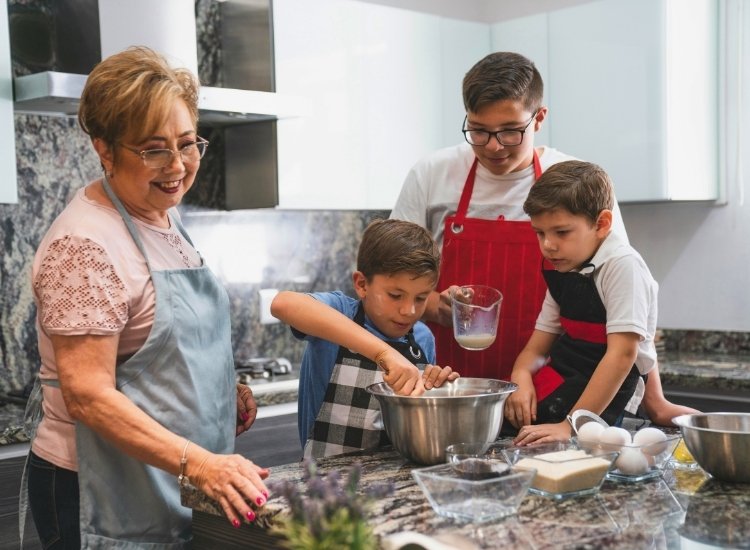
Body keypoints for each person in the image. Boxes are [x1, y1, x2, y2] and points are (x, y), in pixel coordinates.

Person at [26, 47, 268, 548]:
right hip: (101, 490)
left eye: (188, 143)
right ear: (105, 149)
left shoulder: (162, 216)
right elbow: (88, 397)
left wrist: (218, 393)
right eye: (154, 149)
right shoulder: (84, 246)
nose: (178, 165)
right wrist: (200, 461)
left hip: (171, 483)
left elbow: (162, 348)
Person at [390, 50, 697, 425]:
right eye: (479, 131)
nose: (493, 145)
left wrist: (656, 401)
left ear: (539, 117)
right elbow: (392, 287)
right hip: (451, 386)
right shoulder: (431, 174)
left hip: (544, 390)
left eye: (509, 131)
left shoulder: (577, 184)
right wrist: (441, 305)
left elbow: (626, 305)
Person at [271, 219, 459, 458]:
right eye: (395, 295)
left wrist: (438, 393)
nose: (409, 311)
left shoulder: (422, 339)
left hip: (395, 481)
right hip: (325, 485)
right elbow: (283, 303)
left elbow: (421, 426)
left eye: (421, 298)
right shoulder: (340, 314)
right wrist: (385, 354)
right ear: (362, 284)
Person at [506, 161, 658, 443]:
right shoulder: (564, 266)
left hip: (603, 394)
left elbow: (624, 354)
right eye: (540, 232)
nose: (548, 245)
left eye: (561, 232)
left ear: (601, 224)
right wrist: (521, 375)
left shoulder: (622, 265)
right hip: (565, 378)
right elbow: (539, 347)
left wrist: (571, 425)